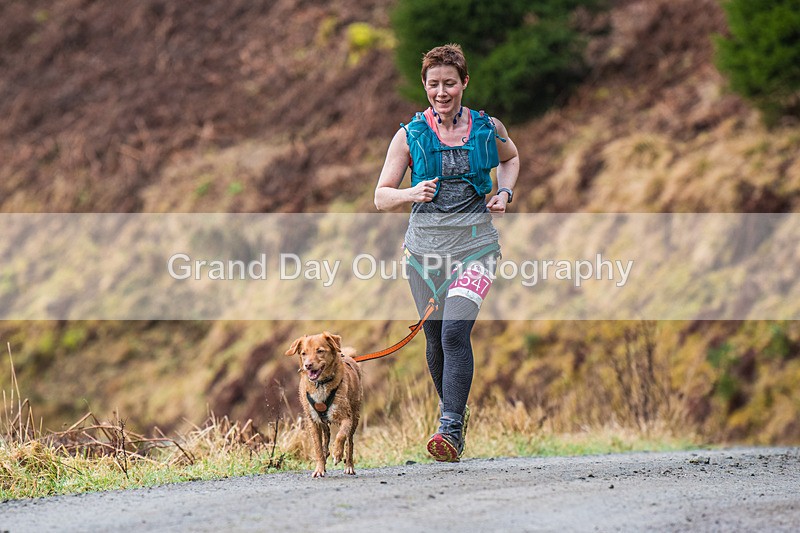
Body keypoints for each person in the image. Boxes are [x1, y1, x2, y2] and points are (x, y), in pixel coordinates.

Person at [374, 43, 519, 462]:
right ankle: (454, 414)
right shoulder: (409, 135)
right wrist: (410, 193)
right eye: (434, 84)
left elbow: (511, 158)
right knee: (435, 339)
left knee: (455, 332)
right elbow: (381, 196)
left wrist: (504, 193)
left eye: (450, 83)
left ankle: (450, 429)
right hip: (423, 256)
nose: (442, 92)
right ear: (424, 85)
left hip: (476, 249)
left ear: (464, 83)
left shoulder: (488, 128)